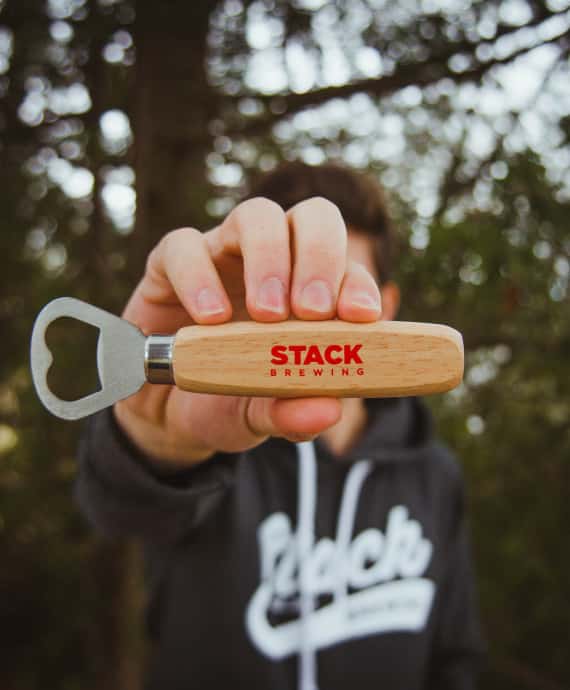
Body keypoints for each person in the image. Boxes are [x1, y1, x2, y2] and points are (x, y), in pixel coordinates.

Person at [76, 162, 484, 690]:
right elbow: (118, 506)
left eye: (335, 297)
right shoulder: (213, 449)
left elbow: (456, 655)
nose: (311, 331)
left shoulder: (434, 473)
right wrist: (155, 439)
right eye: (291, 302)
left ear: (387, 310)